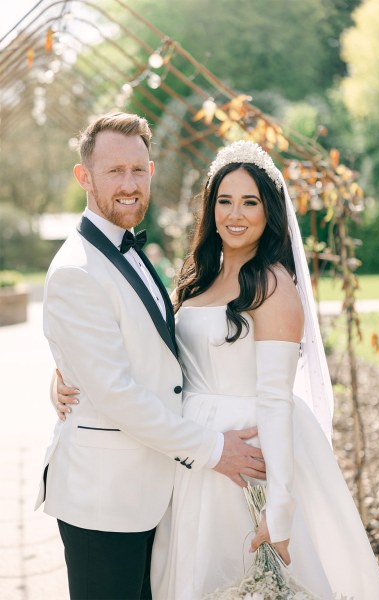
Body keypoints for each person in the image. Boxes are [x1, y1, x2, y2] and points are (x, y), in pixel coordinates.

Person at [56, 141, 379, 600]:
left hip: (246, 453)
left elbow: (275, 397)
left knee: (247, 578)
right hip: (192, 455)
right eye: (224, 201)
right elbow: (152, 347)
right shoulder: (199, 275)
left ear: (269, 211)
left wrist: (281, 505)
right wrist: (69, 370)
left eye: (250, 202)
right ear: (211, 208)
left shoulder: (273, 284)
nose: (236, 214)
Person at [35, 115, 266, 600]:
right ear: (84, 177)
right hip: (105, 498)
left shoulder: (130, 249)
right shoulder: (76, 270)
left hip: (153, 488)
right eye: (114, 171)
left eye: (139, 170)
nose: (129, 184)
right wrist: (215, 448)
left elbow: (150, 352)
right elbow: (117, 394)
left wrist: (65, 376)